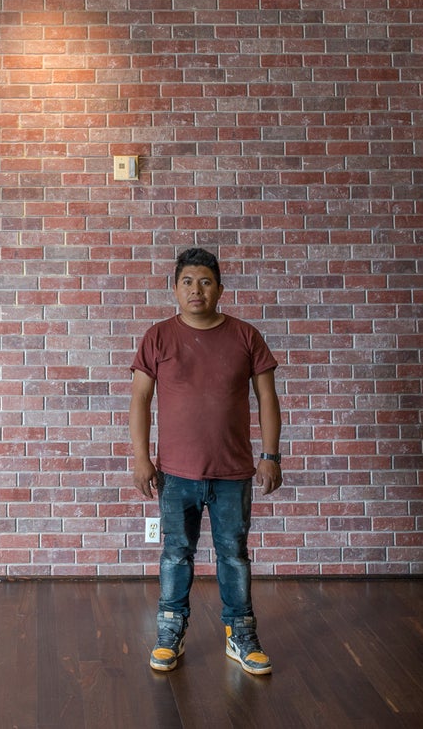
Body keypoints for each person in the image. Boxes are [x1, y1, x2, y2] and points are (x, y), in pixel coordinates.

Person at [130, 247, 282, 676]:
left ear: (220, 288)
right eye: (187, 282)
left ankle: (241, 634)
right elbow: (140, 399)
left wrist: (270, 455)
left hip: (234, 472)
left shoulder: (246, 336)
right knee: (176, 554)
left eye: (205, 282)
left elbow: (267, 398)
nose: (196, 290)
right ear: (175, 289)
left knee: (234, 555)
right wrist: (141, 458)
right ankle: (170, 631)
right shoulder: (158, 337)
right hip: (176, 474)